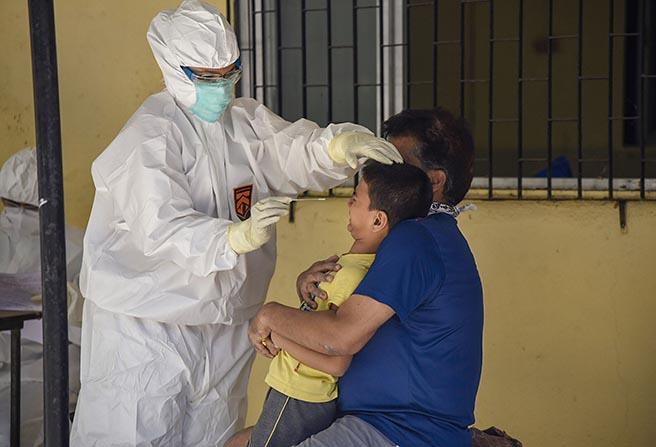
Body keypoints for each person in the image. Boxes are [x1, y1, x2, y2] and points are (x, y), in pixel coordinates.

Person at [69, 0, 402, 445]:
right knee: (131, 433)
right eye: (206, 77)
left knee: (215, 435)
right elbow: (160, 226)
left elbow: (287, 150)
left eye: (229, 72)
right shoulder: (148, 138)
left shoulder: (241, 122)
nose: (221, 87)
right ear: (171, 67)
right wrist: (230, 238)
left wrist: (334, 147)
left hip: (225, 325)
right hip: (149, 327)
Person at [249, 108, 483, 447]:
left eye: (394, 164)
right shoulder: (423, 237)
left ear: (434, 181)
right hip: (375, 420)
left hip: (400, 431)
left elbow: (339, 339)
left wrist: (269, 314)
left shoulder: (417, 239)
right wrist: (310, 288)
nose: (379, 171)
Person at [227, 162, 432, 447]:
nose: (349, 201)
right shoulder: (349, 266)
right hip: (296, 390)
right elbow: (317, 318)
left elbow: (336, 363)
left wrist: (279, 336)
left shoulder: (352, 275)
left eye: (357, 199)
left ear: (377, 221)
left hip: (300, 394)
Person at [0, 147, 84, 447]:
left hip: (51, 372)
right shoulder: (76, 243)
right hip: (49, 370)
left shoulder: (74, 244)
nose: (15, 219)